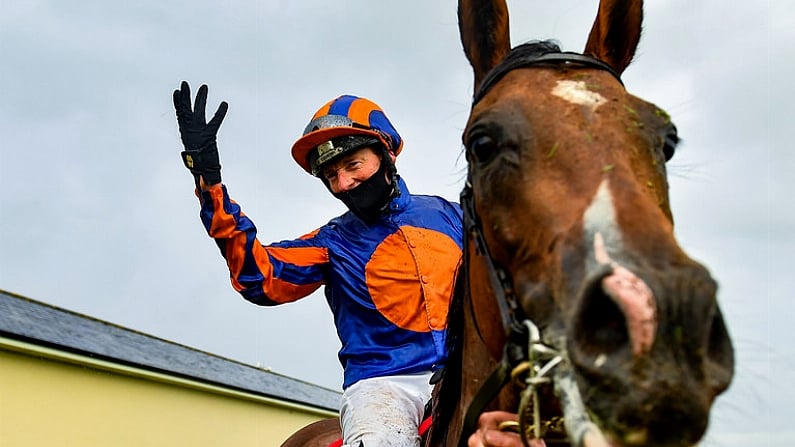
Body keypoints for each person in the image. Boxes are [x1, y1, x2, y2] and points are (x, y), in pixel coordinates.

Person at [173, 81, 464, 447]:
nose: (344, 183)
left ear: (386, 152)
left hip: (466, 369)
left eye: (353, 165)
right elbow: (259, 277)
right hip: (385, 386)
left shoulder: (454, 217)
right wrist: (210, 184)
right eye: (331, 176)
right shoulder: (331, 243)